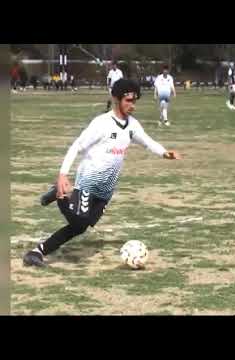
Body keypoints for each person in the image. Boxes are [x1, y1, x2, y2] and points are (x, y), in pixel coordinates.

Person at [23, 79, 182, 267]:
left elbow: (147, 141)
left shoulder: (132, 125)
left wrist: (164, 153)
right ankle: (59, 195)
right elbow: (76, 147)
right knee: (77, 220)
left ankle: (36, 252)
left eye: (134, 101)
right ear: (116, 99)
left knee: (80, 227)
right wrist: (62, 175)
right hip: (87, 182)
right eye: (128, 100)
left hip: (106, 189)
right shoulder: (102, 123)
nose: (132, 105)